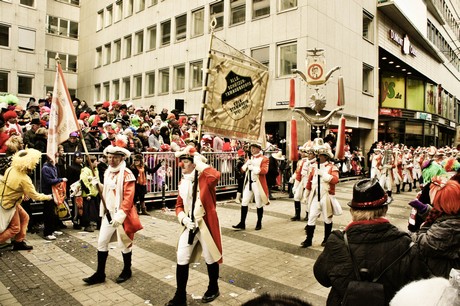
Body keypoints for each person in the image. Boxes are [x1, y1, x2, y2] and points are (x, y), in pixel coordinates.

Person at [313, 178, 430, 306]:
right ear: (385, 209)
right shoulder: (406, 243)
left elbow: (322, 278)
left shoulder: (337, 241)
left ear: (352, 211)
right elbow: (420, 286)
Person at [165, 146, 222, 306]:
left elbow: (215, 176)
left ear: (194, 163)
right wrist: (183, 219)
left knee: (211, 258)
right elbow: (179, 205)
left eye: (185, 161)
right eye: (181, 161)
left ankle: (213, 287)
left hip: (205, 224)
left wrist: (200, 163)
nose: (181, 165)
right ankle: (180, 295)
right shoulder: (183, 181)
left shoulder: (205, 179)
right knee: (181, 257)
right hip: (189, 226)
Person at [83, 135, 142, 285]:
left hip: (121, 215)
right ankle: (100, 273)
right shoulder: (107, 172)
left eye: (115, 157)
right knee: (102, 242)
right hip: (108, 213)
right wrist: (98, 184)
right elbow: (107, 192)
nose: (111, 160)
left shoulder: (127, 174)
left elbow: (128, 198)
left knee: (125, 243)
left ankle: (127, 269)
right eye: (109, 157)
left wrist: (120, 216)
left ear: (122, 158)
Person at [0, 149, 53, 250]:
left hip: (7, 200)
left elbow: (11, 184)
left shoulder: (11, 169)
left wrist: (22, 193)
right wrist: (48, 197)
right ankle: (17, 242)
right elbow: (35, 196)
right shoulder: (24, 179)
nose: (35, 166)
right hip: (9, 204)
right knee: (15, 228)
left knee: (25, 217)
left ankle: (19, 242)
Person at [410, 177, 460, 278]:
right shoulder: (453, 213)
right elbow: (442, 217)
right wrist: (426, 211)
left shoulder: (452, 226)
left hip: (443, 276)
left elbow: (426, 244)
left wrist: (411, 234)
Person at [301, 141, 339, 248]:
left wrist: (324, 175)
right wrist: (306, 195)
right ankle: (308, 240)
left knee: (327, 218)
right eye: (318, 155)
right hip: (315, 195)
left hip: (326, 196)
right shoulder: (314, 167)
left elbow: (335, 180)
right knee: (311, 217)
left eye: (320, 155)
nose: (318, 157)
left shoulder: (332, 167)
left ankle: (326, 239)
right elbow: (309, 182)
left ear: (326, 157)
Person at [232, 143, 269, 231]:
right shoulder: (250, 158)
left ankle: (259, 222)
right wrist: (246, 165)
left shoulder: (264, 159)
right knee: (244, 202)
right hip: (249, 183)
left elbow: (264, 171)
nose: (252, 149)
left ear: (258, 149)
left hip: (258, 184)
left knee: (258, 203)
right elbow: (242, 170)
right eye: (251, 148)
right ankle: (242, 223)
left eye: (254, 148)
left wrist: (253, 167)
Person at [41, 155, 68, 240]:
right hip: (48, 193)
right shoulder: (46, 168)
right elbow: (49, 181)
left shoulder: (53, 167)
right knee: (48, 212)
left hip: (53, 192)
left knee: (54, 212)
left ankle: (53, 229)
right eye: (56, 158)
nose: (57, 159)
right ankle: (48, 232)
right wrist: (60, 180)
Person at [80, 155, 100, 232]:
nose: (97, 163)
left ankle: (96, 224)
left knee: (95, 210)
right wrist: (88, 193)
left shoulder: (96, 170)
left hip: (95, 192)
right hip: (88, 193)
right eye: (95, 162)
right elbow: (83, 181)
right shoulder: (85, 170)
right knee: (88, 212)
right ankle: (87, 225)